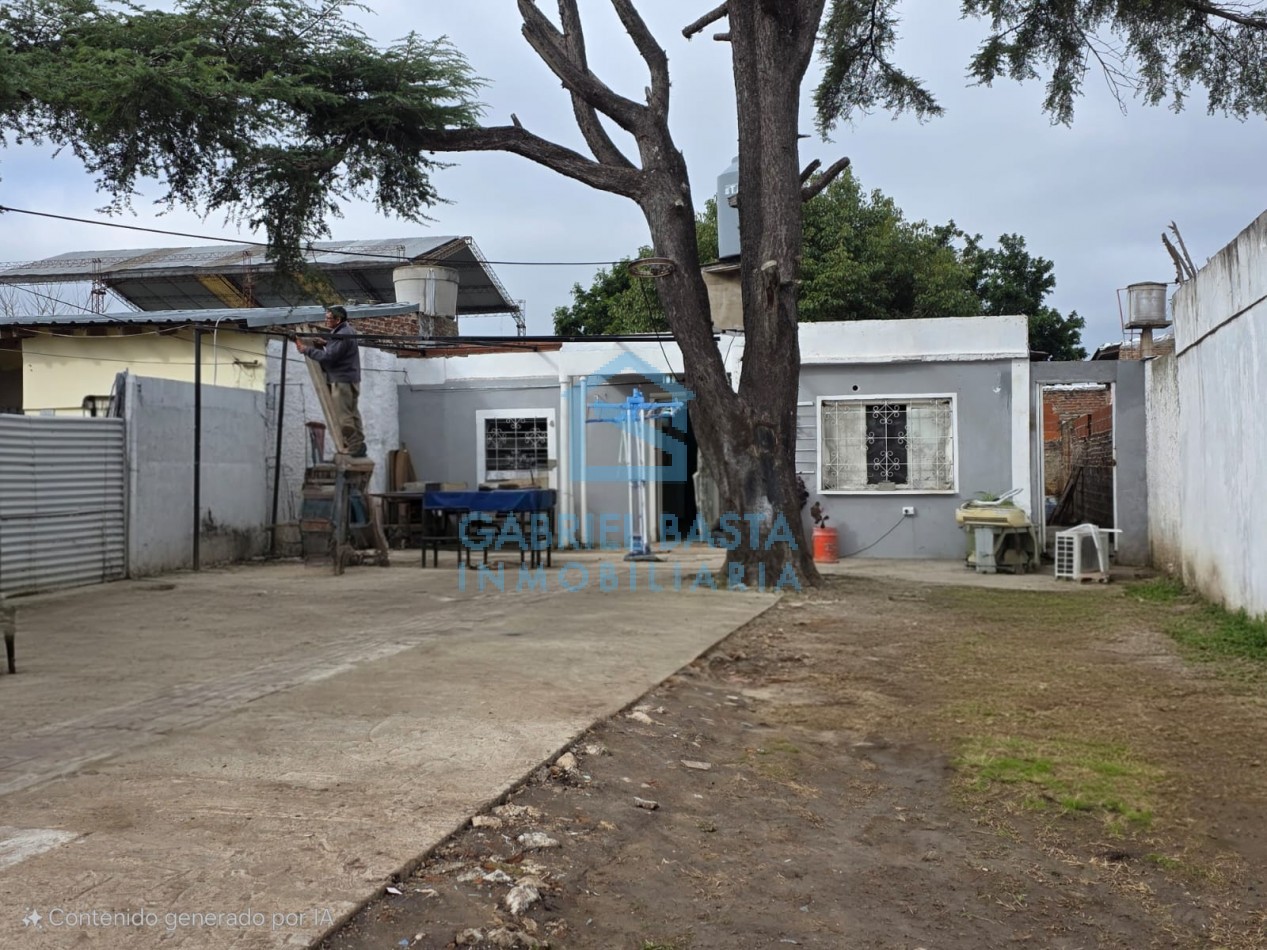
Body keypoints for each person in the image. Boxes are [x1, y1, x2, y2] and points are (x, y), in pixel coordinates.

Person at [295, 305, 366, 458]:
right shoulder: (346, 331)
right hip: (351, 379)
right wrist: (326, 343)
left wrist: (306, 350)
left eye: (328, 318)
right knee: (353, 414)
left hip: (342, 381)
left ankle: (354, 446)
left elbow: (329, 358)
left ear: (338, 319)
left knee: (343, 417)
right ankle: (360, 444)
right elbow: (340, 349)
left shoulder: (342, 334)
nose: (325, 321)